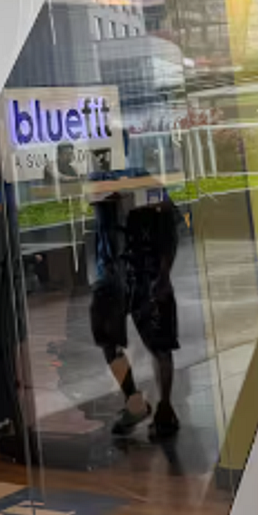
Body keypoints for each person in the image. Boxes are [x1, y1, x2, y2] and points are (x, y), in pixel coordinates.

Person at [90, 187, 182, 440]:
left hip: (142, 273)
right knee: (110, 340)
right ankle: (139, 402)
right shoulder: (103, 185)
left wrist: (163, 274)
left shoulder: (142, 183)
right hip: (118, 274)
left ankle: (162, 406)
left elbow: (169, 227)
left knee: (158, 344)